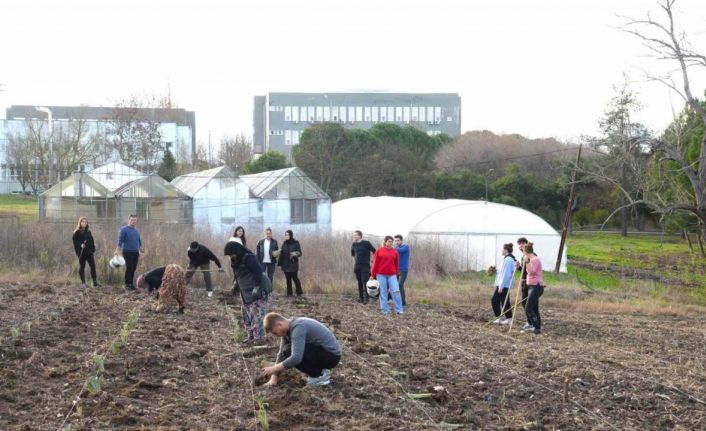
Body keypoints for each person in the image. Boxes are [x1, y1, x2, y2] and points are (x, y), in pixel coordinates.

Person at [260, 312, 341, 387]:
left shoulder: (298, 327)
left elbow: (296, 358)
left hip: (332, 356)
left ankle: (319, 376)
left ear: (279, 325)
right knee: (286, 350)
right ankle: (320, 371)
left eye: (275, 333)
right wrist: (274, 377)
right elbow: (281, 354)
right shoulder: (288, 329)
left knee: (289, 351)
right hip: (324, 353)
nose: (276, 335)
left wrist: (274, 368)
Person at [224, 239, 270, 342]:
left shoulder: (248, 258)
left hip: (257, 289)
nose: (230, 257)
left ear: (237, 251)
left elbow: (258, 271)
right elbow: (237, 275)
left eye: (231, 254)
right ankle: (251, 336)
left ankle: (259, 338)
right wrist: (235, 286)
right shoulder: (235, 262)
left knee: (256, 314)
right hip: (245, 291)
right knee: (246, 315)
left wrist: (257, 287)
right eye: (229, 255)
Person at [371, 236, 403, 315]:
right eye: (389, 241)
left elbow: (396, 264)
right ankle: (385, 310)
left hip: (392, 275)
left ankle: (399, 310)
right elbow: (375, 264)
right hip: (381, 274)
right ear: (385, 242)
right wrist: (372, 274)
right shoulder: (379, 251)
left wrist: (397, 273)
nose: (391, 243)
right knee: (383, 292)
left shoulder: (395, 252)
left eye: (392, 241)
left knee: (396, 291)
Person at [114, 214, 144, 291]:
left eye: (135, 220)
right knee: (129, 267)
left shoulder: (137, 230)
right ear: (129, 220)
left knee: (133, 268)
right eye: (132, 220)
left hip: (135, 252)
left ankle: (131, 284)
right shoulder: (124, 229)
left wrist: (140, 248)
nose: (133, 221)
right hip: (127, 252)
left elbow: (138, 240)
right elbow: (120, 241)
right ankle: (127, 284)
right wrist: (117, 250)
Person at [72, 216, 100, 288]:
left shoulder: (88, 232)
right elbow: (75, 242)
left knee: (93, 266)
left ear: (87, 223)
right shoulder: (77, 232)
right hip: (81, 252)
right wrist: (80, 245)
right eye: (82, 222)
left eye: (85, 222)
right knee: (82, 266)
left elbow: (91, 240)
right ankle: (83, 283)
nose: (84, 223)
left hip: (89, 252)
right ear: (80, 223)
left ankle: (95, 283)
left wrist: (93, 247)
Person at [492, 243, 516, 325]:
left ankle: (499, 318)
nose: (501, 251)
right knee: (504, 301)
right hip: (503, 284)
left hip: (504, 285)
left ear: (506, 250)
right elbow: (502, 271)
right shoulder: (506, 259)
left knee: (495, 300)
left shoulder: (508, 260)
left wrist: (501, 286)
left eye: (502, 249)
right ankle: (508, 319)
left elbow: (506, 274)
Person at [523, 242, 544, 335]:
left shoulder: (535, 259)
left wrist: (527, 262)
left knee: (528, 308)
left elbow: (532, 272)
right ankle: (537, 327)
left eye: (523, 252)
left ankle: (536, 327)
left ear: (526, 252)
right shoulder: (532, 260)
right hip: (532, 286)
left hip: (536, 286)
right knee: (534, 308)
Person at [351, 230, 376, 304]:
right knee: (359, 282)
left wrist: (372, 260)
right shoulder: (354, 244)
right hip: (357, 266)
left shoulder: (366, 243)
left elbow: (375, 251)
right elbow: (353, 254)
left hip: (365, 265)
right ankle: (361, 298)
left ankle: (366, 299)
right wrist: (356, 261)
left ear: (359, 236)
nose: (354, 236)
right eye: (354, 235)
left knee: (365, 282)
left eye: (355, 235)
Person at [278, 230, 303, 296]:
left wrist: (295, 254)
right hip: (285, 264)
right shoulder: (284, 243)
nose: (287, 236)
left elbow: (300, 253)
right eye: (286, 235)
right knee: (288, 279)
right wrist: (279, 254)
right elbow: (282, 253)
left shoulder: (296, 242)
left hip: (293, 264)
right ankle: (289, 293)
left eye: (288, 234)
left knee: (295, 278)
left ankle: (299, 293)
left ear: (291, 235)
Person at [516, 237, 532, 328]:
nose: (521, 245)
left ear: (527, 244)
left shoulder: (530, 255)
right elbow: (524, 270)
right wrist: (518, 267)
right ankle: (530, 322)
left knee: (528, 303)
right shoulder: (523, 256)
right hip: (524, 283)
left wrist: (526, 279)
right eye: (520, 244)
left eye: (523, 243)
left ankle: (532, 323)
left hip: (529, 283)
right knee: (525, 303)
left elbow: (532, 270)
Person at [394, 234, 410, 306]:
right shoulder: (396, 248)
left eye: (398, 240)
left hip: (403, 270)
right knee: (395, 285)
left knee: (400, 285)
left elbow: (399, 250)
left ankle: (403, 302)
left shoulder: (405, 247)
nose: (396, 242)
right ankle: (395, 299)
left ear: (401, 240)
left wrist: (390, 248)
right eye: (395, 241)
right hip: (396, 270)